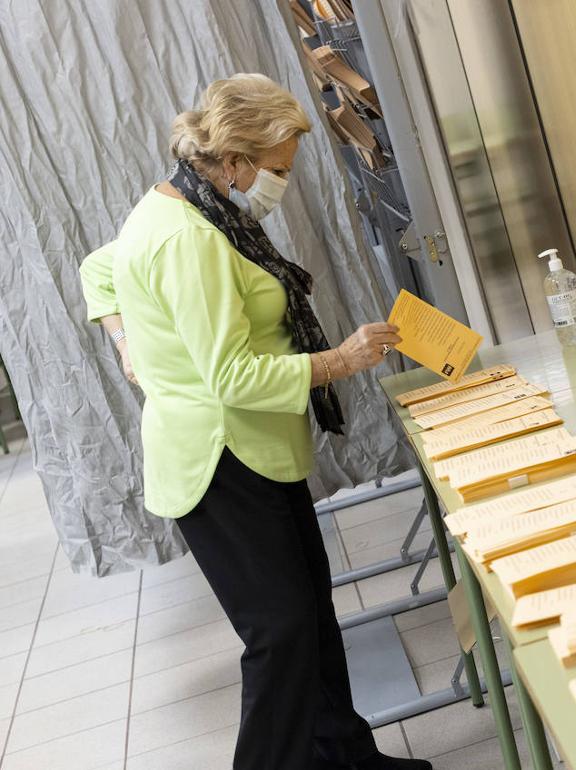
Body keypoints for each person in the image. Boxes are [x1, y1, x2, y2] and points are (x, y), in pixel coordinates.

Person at [79, 74, 429, 770]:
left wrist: (128, 337)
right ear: (234, 158)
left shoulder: (197, 207)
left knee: (312, 618)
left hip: (255, 451)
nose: (280, 184)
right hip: (220, 458)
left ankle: (347, 760)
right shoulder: (190, 240)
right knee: (283, 632)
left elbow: (103, 268)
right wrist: (342, 359)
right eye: (275, 170)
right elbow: (231, 378)